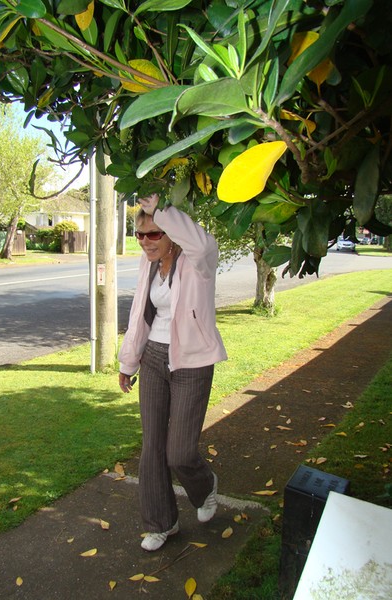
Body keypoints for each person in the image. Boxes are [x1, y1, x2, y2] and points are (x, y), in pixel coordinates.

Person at [118, 193, 227, 552]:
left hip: (191, 362)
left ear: (171, 235)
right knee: (151, 447)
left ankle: (204, 485)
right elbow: (139, 316)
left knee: (178, 452)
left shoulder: (198, 262)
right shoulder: (147, 266)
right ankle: (160, 523)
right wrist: (128, 362)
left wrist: (161, 210)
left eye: (154, 234)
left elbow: (203, 242)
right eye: (140, 235)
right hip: (153, 357)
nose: (146, 242)